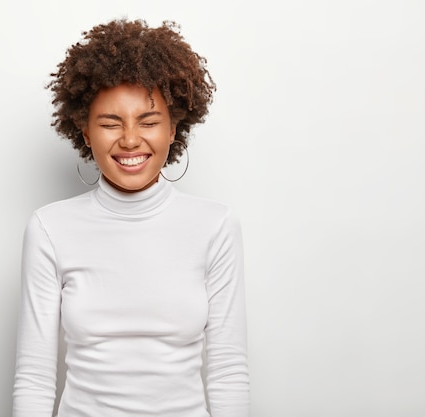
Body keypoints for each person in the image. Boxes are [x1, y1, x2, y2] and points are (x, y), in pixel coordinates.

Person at [13, 19, 249, 417]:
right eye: (109, 123)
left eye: (149, 121)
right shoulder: (50, 228)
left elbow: (228, 371)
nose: (129, 140)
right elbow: (35, 376)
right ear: (84, 132)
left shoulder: (215, 226)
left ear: (174, 128)